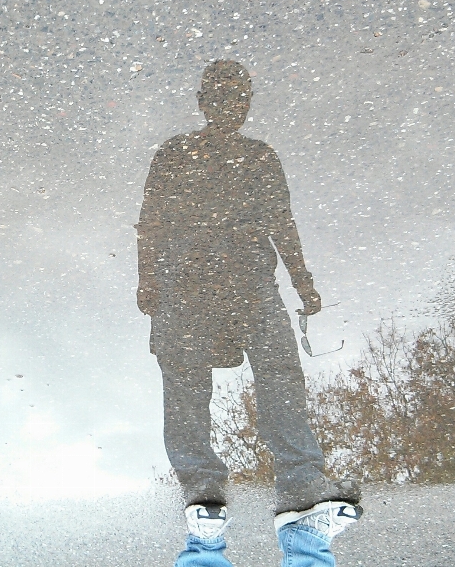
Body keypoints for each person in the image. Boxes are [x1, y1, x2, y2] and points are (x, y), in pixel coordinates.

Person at [136, 60, 361, 567]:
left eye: (240, 98)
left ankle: (255, 491)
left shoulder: (231, 156)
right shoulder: (208, 154)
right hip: (211, 283)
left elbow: (277, 221)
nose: (233, 107)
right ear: (205, 102)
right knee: (207, 383)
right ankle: (235, 492)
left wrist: (302, 280)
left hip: (220, 283)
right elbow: (152, 221)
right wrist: (148, 279)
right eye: (226, 98)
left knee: (230, 380)